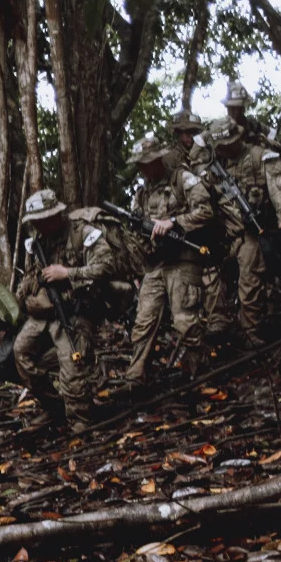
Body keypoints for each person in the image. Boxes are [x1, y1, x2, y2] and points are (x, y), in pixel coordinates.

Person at [11, 190, 113, 430]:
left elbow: (107, 266)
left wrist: (68, 273)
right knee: (20, 353)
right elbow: (29, 276)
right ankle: (53, 407)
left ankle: (80, 423)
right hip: (45, 312)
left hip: (75, 311)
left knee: (73, 368)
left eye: (43, 219)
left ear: (56, 214)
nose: (39, 224)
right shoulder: (37, 242)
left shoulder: (81, 233)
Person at [124, 141, 218, 383]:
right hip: (155, 264)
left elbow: (206, 211)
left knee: (185, 321)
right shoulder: (141, 194)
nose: (145, 170)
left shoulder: (182, 180)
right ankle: (135, 378)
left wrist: (174, 222)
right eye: (141, 166)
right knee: (143, 323)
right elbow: (135, 232)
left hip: (183, 260)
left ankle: (202, 372)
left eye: (148, 164)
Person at [202, 118, 281, 340]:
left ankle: (251, 333)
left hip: (257, 230)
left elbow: (280, 188)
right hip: (227, 231)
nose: (223, 150)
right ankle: (227, 324)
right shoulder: (218, 165)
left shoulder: (261, 156)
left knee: (251, 279)